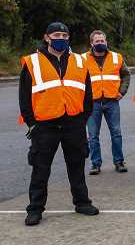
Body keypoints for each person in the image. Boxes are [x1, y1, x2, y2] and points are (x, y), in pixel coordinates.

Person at [19, 22, 99, 226]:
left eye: (64, 36)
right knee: (40, 169)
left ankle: (82, 202)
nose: (61, 39)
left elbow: (87, 94)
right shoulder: (33, 62)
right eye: (56, 35)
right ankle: (35, 209)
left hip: (73, 122)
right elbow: (24, 97)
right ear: (47, 37)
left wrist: (82, 119)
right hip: (45, 125)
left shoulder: (80, 61)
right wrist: (32, 124)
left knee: (77, 165)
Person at [84, 30, 130, 175]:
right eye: (97, 41)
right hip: (93, 103)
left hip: (112, 101)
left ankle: (119, 161)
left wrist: (122, 91)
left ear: (106, 42)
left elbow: (126, 75)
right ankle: (95, 164)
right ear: (91, 43)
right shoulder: (83, 59)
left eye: (102, 41)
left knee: (116, 133)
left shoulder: (116, 57)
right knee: (93, 135)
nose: (100, 43)